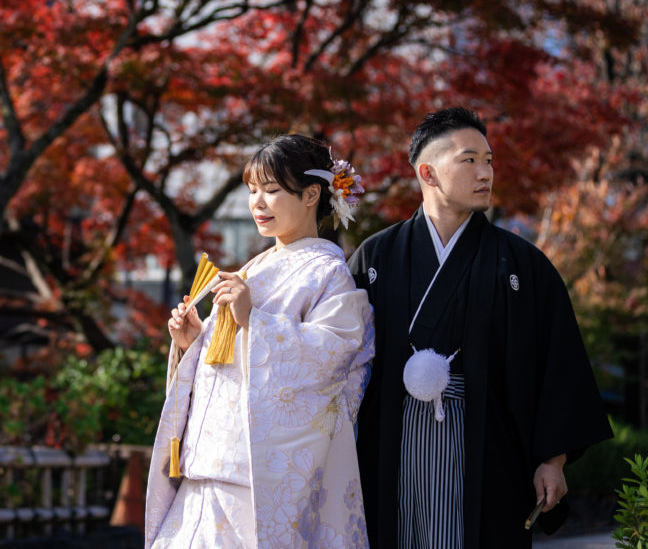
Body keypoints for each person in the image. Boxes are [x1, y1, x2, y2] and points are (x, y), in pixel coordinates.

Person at [349, 107, 613, 548]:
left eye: (488, 160)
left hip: (488, 450)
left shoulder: (522, 265)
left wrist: (554, 459)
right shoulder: (377, 257)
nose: (486, 172)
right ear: (428, 172)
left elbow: (559, 364)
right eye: (469, 160)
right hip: (393, 445)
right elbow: (341, 361)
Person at [144, 134, 375, 548]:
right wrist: (191, 343)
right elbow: (223, 364)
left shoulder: (328, 273)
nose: (257, 203)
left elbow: (333, 357)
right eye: (252, 191)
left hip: (260, 473)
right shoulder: (254, 268)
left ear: (311, 195)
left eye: (271, 191)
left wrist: (254, 321)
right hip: (207, 464)